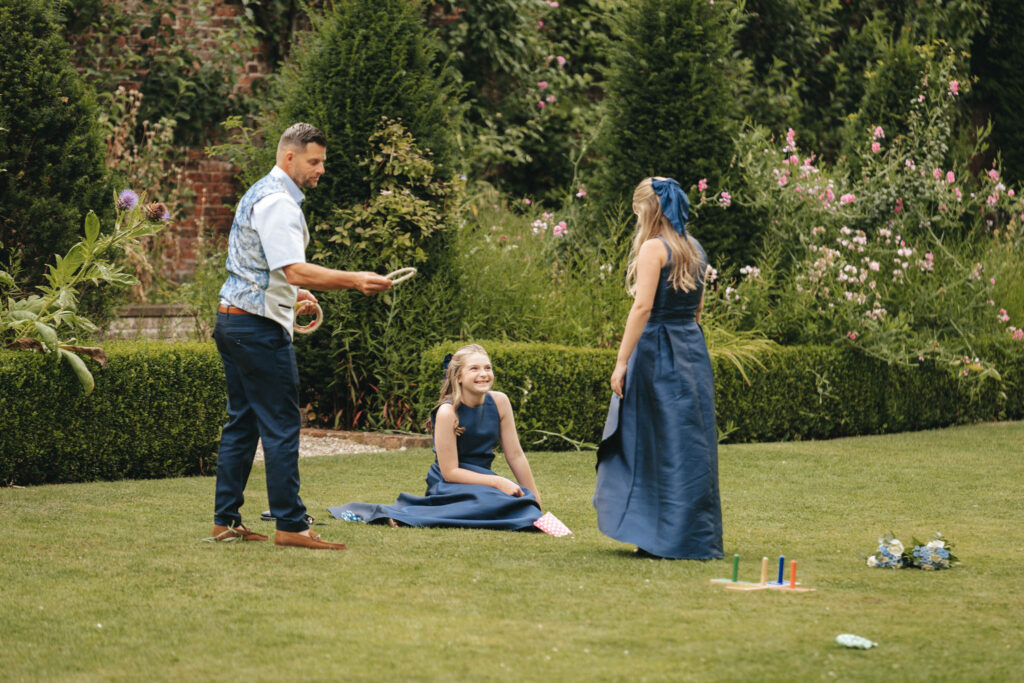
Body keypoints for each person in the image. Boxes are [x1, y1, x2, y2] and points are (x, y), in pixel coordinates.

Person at [209, 122, 393, 550]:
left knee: (244, 423)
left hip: (234, 320)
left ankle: (226, 521)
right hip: (256, 329)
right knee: (281, 425)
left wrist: (291, 291)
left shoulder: (260, 191)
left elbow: (262, 266)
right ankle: (291, 524)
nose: (321, 169)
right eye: (315, 161)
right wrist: (355, 279)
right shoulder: (278, 203)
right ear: (289, 157)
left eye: (323, 161)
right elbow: (293, 268)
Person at [593, 177, 723, 559]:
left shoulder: (654, 247)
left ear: (646, 209)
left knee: (649, 440)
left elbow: (643, 308)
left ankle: (656, 535)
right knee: (686, 443)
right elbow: (698, 310)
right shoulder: (694, 248)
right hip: (691, 351)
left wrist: (621, 362)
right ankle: (689, 535)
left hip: (656, 350)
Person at [328, 344, 544, 530]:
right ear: (459, 376)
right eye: (474, 369)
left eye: (488, 367)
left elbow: (515, 455)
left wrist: (534, 498)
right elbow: (450, 472)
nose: (484, 374)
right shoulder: (447, 412)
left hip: (482, 479)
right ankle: (403, 517)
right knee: (495, 499)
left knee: (520, 502)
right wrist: (498, 482)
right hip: (450, 482)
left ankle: (517, 508)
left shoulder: (500, 402)